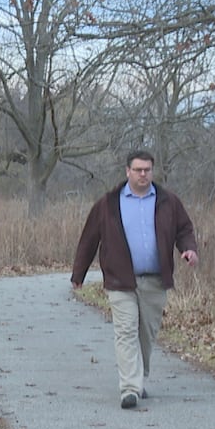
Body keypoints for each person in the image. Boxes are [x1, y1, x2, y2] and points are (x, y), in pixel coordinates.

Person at [71, 149, 199, 409]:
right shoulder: (108, 203)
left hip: (155, 280)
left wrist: (188, 249)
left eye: (147, 170)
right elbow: (89, 238)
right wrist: (79, 273)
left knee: (146, 334)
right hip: (120, 280)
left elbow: (184, 229)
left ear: (152, 171)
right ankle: (129, 388)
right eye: (138, 170)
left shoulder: (168, 201)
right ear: (127, 171)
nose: (143, 174)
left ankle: (139, 377)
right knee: (126, 331)